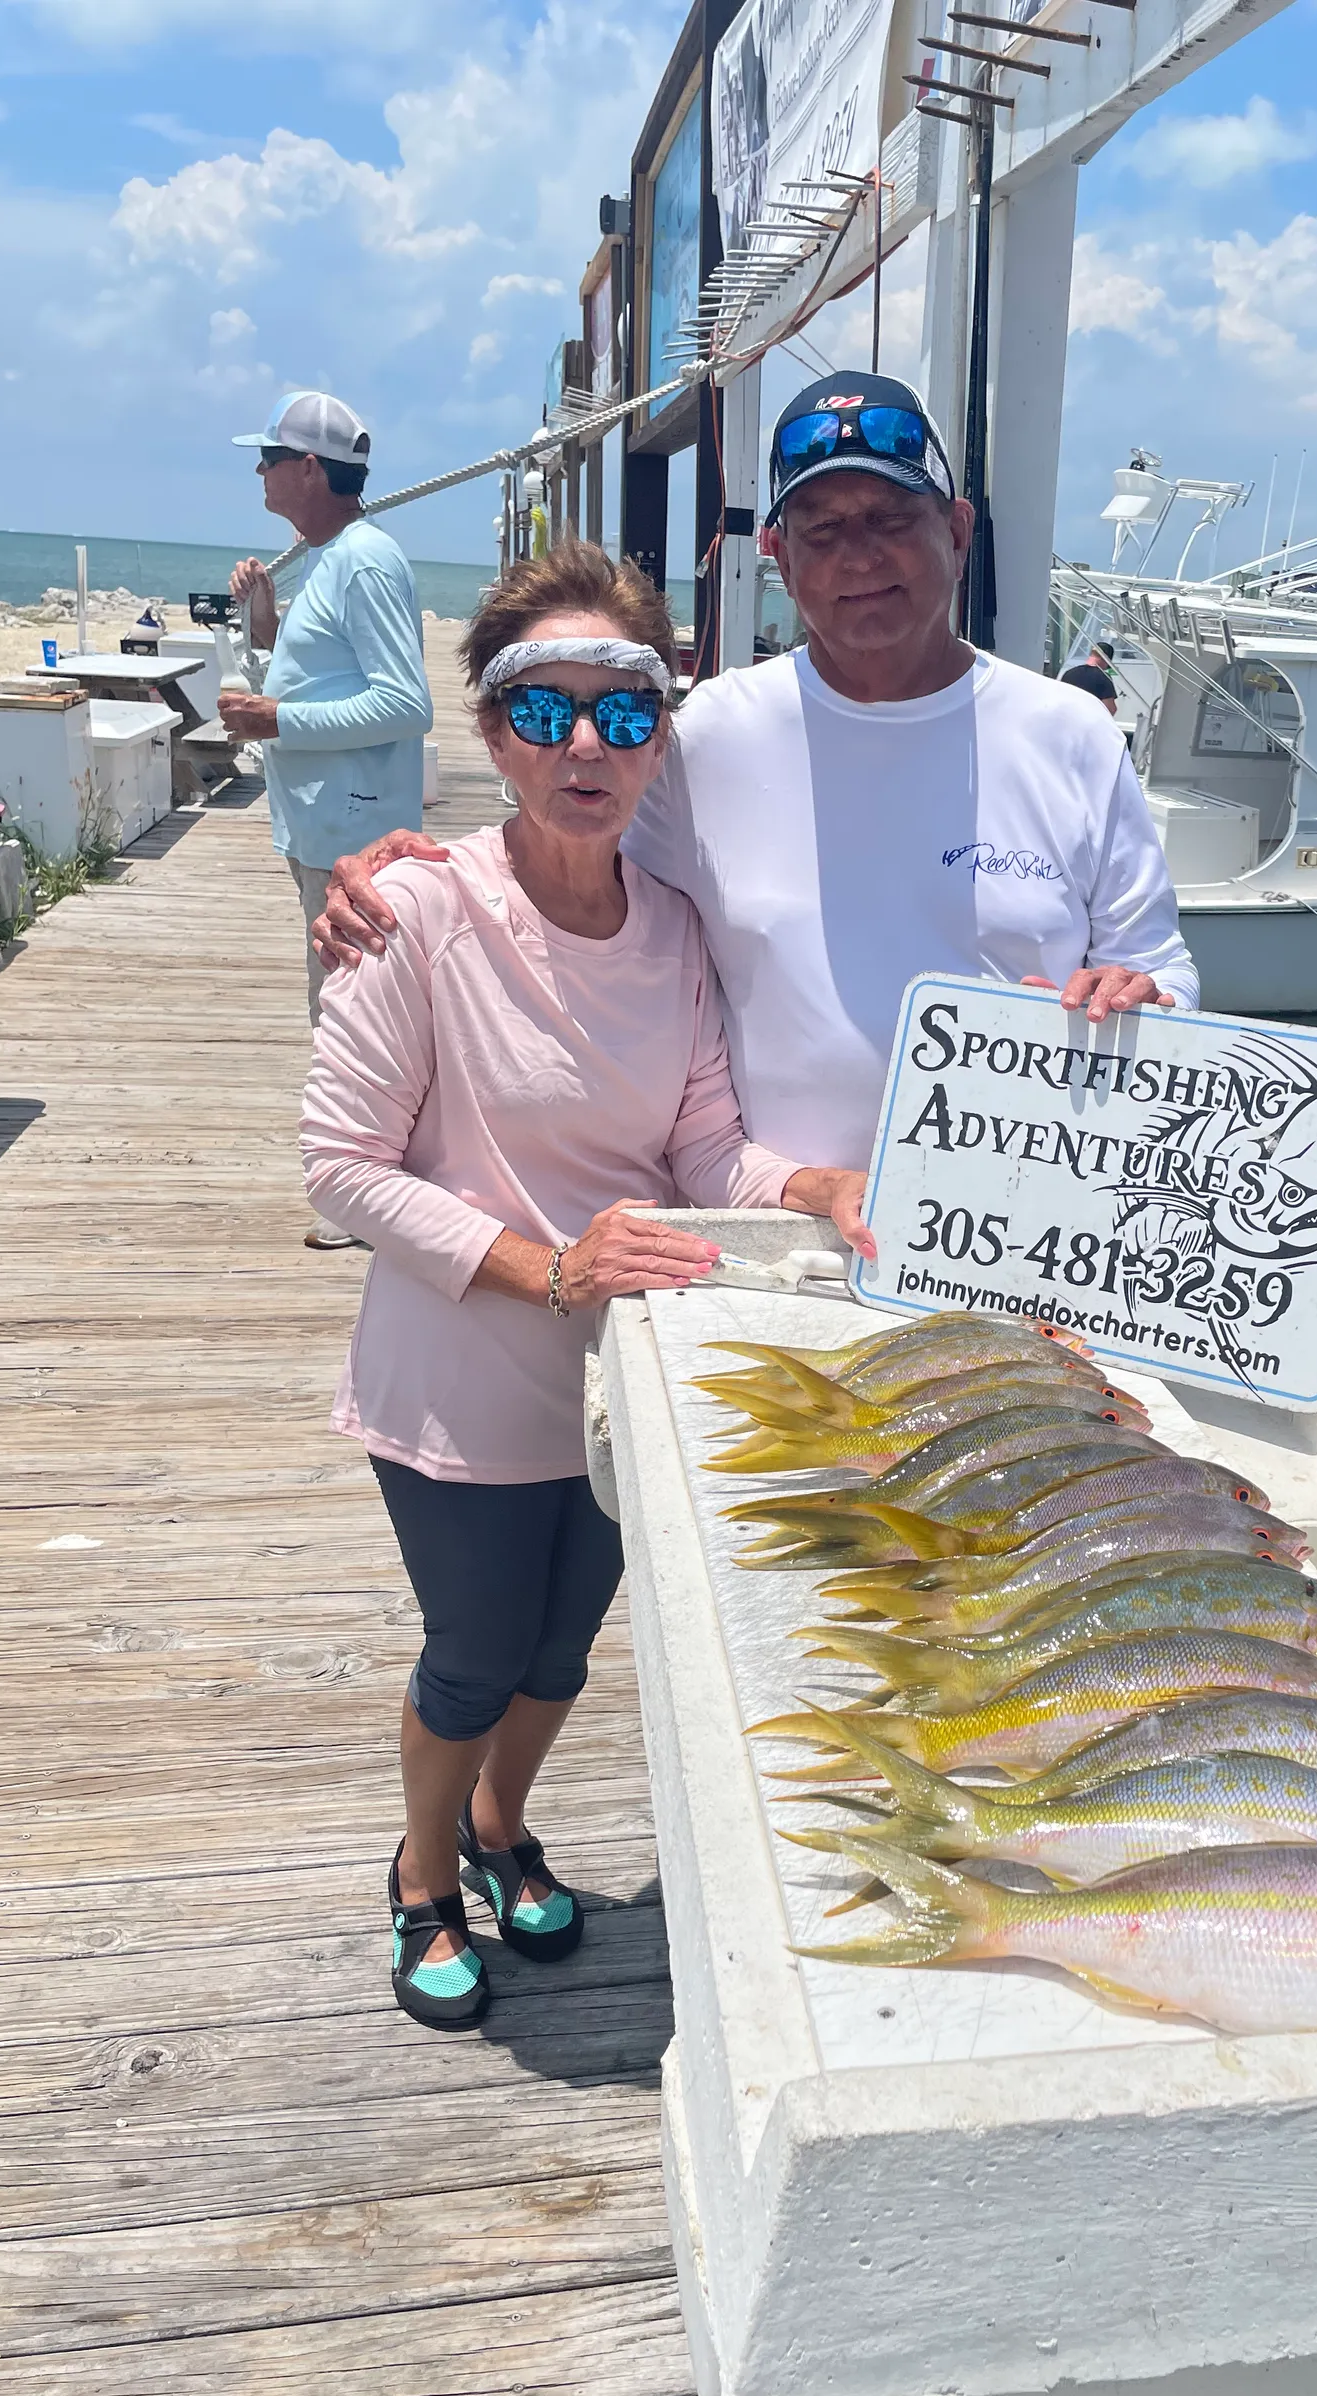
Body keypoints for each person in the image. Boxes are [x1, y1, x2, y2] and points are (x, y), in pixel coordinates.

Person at [299, 544, 869, 2029]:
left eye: (623, 712)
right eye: (540, 709)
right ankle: (425, 1876)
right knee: (474, 1652)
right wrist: (548, 1266)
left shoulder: (672, 928)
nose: (583, 745)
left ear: (657, 738)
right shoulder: (416, 912)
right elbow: (341, 1168)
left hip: (618, 1384)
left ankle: (501, 1829)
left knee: (565, 1647)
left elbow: (702, 1147)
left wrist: (805, 1188)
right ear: (490, 736)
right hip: (460, 1380)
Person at [315, 370, 1198, 1170]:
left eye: (892, 520)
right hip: (772, 1221)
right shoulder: (707, 734)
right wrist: (402, 873)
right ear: (776, 552)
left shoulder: (1074, 735)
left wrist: (1147, 994)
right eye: (822, 531)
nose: (859, 556)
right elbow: (567, 854)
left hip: (1017, 1222)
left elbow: (1160, 967)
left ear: (957, 529)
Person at [227, 389, 433, 1245]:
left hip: (352, 837)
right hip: (320, 829)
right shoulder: (326, 557)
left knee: (354, 1014)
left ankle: (367, 1193)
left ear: (309, 468)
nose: (261, 472)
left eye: (270, 458)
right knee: (342, 1009)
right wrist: (265, 629)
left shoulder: (364, 560)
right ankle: (368, 1180)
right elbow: (324, 676)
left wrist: (279, 721)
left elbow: (405, 702)